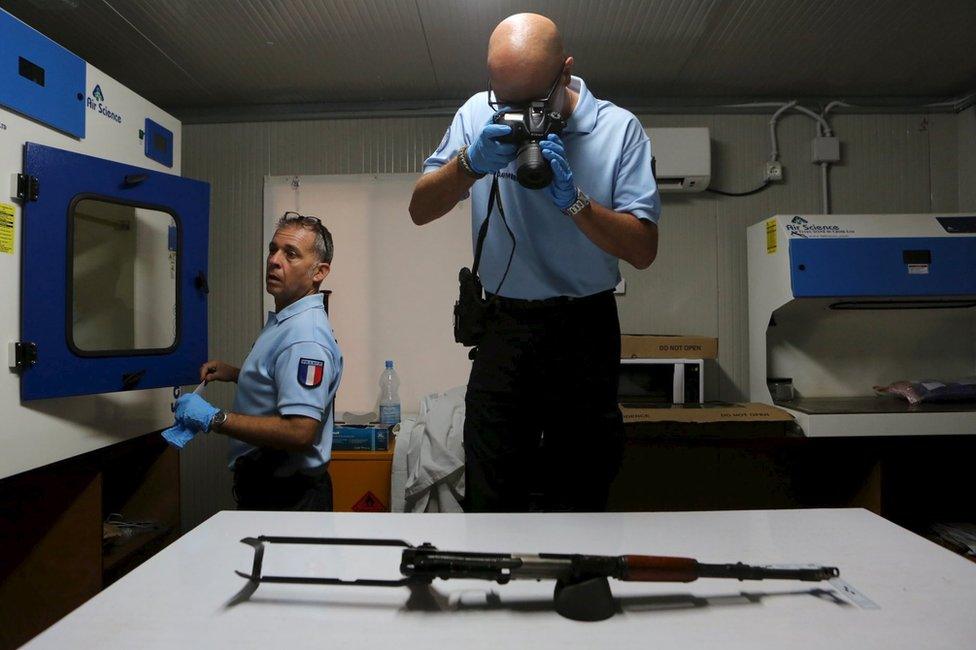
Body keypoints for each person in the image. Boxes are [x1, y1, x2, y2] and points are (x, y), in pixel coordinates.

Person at [409, 13, 660, 513]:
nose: (516, 113)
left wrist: (578, 205)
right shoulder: (478, 113)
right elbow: (420, 209)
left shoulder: (617, 128)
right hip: (504, 326)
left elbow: (643, 249)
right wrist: (468, 163)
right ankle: (493, 587)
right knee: (491, 485)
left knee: (581, 487)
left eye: (531, 101)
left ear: (565, 73)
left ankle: (578, 589)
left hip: (584, 327)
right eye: (504, 99)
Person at [173, 212, 343, 511]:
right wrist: (238, 374)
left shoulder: (304, 336)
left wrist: (214, 418)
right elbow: (281, 380)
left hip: (288, 497)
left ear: (319, 271)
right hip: (274, 489)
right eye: (273, 249)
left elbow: (300, 432)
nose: (274, 260)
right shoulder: (287, 320)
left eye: (291, 254)